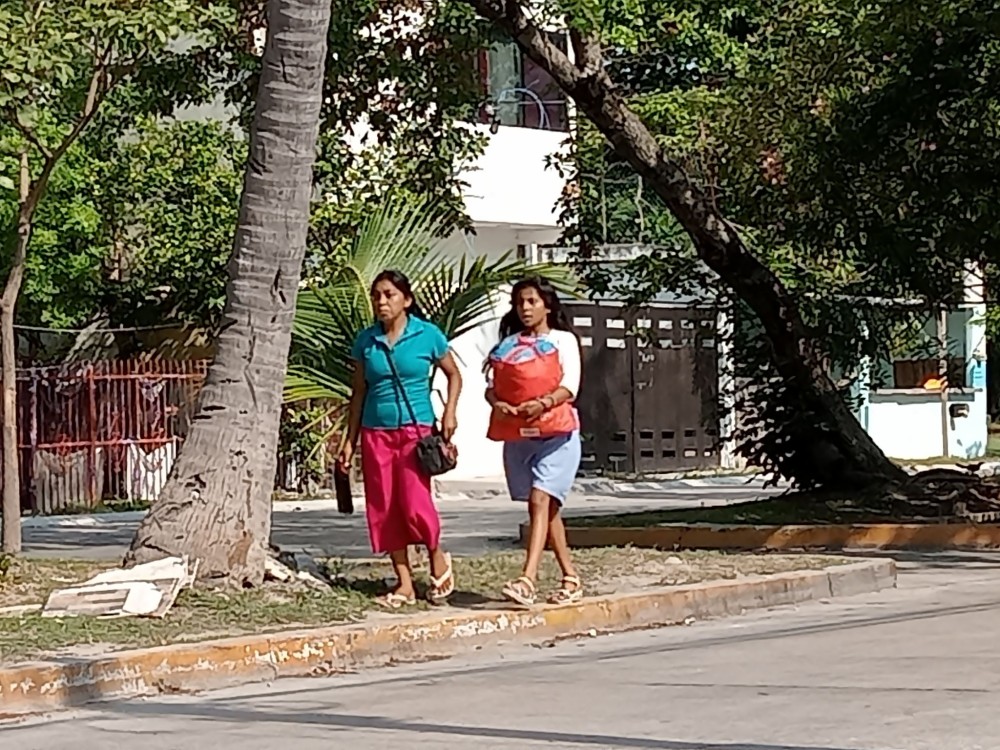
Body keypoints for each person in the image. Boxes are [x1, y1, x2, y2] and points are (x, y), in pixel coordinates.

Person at [339, 270, 462, 607]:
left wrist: (449, 412)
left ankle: (437, 557)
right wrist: (349, 441)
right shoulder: (366, 341)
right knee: (384, 507)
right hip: (375, 431)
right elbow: (359, 393)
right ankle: (404, 583)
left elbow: (454, 375)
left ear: (406, 300)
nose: (381, 302)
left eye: (389, 295)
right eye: (377, 295)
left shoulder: (427, 335)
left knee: (414, 504)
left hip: (415, 431)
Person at [484, 277, 583, 606]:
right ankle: (570, 578)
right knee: (546, 507)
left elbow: (570, 386)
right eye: (519, 303)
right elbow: (491, 385)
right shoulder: (510, 343)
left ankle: (527, 579)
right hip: (520, 436)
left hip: (557, 436)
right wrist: (498, 403)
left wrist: (542, 404)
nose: (525, 309)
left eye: (532, 302)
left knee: (541, 500)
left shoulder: (564, 341)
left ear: (548, 305)